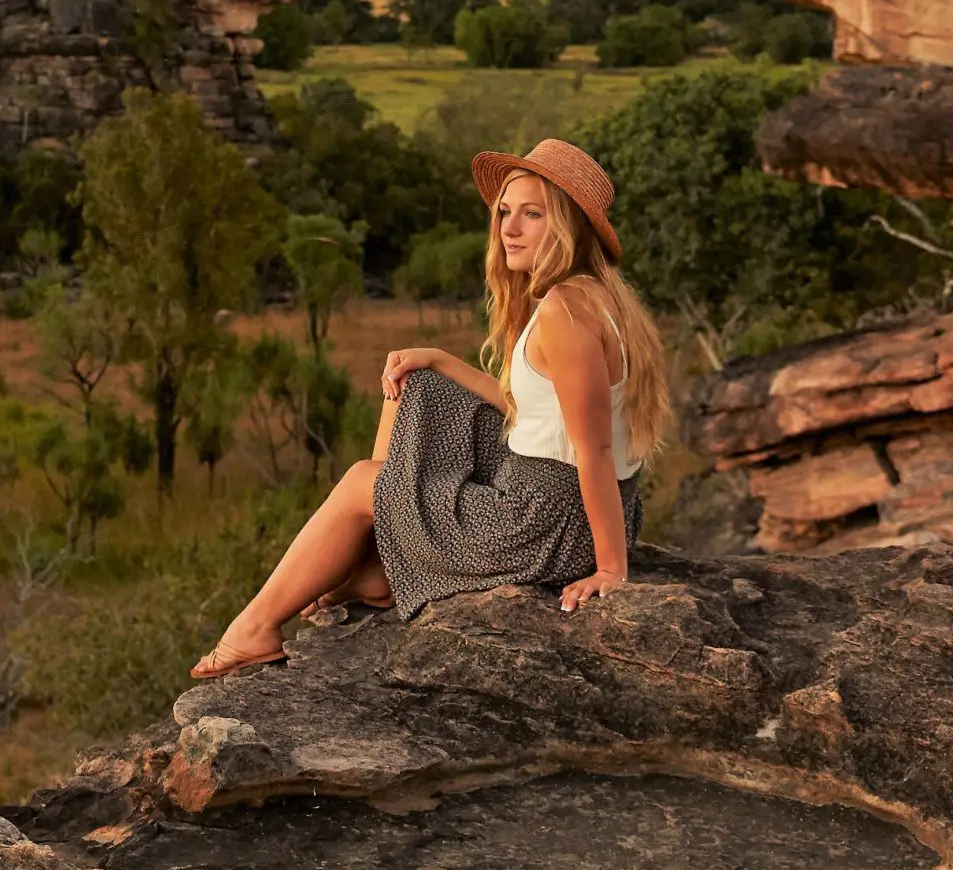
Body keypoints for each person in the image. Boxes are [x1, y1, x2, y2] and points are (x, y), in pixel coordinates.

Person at [192, 137, 671, 680]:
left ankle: (255, 626)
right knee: (420, 382)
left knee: (358, 483)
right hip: (561, 506)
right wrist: (441, 360)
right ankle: (376, 561)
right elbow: (534, 410)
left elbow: (594, 449)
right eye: (504, 214)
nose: (508, 229)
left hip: (542, 524)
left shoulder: (565, 312)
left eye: (531, 215)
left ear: (567, 227)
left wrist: (611, 568)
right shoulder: (592, 294)